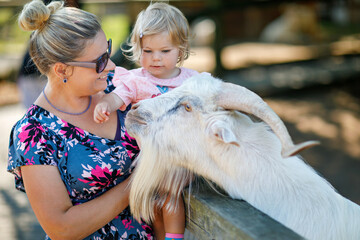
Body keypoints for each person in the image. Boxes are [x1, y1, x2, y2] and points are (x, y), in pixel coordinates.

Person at [7, 0, 154, 239]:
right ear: (62, 70)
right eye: (99, 62)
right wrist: (140, 181)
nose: (112, 65)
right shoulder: (33, 133)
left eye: (107, 51)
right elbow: (61, 228)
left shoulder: (119, 89)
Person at [93, 3, 203, 240]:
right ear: (138, 49)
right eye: (148, 51)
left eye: (165, 51)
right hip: (149, 157)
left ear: (180, 50)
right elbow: (117, 96)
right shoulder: (136, 80)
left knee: (168, 193)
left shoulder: (192, 81)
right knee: (152, 200)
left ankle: (174, 238)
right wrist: (105, 105)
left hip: (181, 155)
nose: (156, 59)